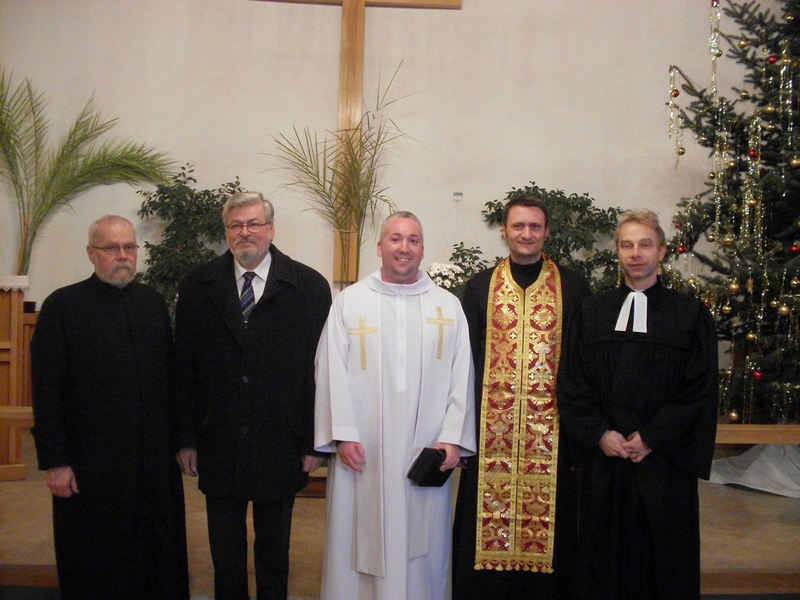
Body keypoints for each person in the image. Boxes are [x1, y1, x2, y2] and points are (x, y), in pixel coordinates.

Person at [174, 191, 331, 600]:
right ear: (226, 231)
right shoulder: (197, 287)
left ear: (271, 229)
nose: (245, 232)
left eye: (254, 224)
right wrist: (187, 438)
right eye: (236, 225)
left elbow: (320, 374)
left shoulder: (308, 287)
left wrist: (313, 441)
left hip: (280, 441)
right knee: (225, 554)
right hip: (218, 439)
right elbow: (184, 368)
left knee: (274, 554)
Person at [557, 209, 718, 600]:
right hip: (606, 461)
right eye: (627, 245)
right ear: (617, 251)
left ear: (661, 251)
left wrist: (652, 437)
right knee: (602, 563)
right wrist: (600, 434)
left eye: (645, 245)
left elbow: (699, 389)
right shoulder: (591, 312)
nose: (636, 253)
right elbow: (572, 382)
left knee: (663, 563)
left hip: (664, 462)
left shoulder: (690, 315)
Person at [315, 211, 476, 600]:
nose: (404, 248)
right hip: (363, 452)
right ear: (379, 247)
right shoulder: (350, 302)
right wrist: (343, 435)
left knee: (423, 544)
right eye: (396, 239)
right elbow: (330, 369)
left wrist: (452, 438)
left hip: (426, 451)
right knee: (356, 538)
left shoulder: (447, 307)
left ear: (422, 248)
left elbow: (463, 374)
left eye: (413, 240)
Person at [31, 215, 189, 600]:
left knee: (155, 556)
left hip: (151, 463)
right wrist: (56, 461)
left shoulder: (151, 303)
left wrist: (182, 441)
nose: (122, 255)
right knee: (96, 560)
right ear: (91, 253)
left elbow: (171, 379)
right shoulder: (62, 306)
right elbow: (47, 390)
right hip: (90, 465)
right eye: (112, 248)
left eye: (129, 247)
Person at [451, 193, 591, 600]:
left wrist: (578, 435)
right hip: (490, 436)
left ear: (546, 232)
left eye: (534, 226)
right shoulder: (479, 287)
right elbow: (465, 364)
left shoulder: (573, 287)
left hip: (553, 438)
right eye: (518, 226)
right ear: (504, 231)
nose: (526, 233)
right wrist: (462, 432)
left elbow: (581, 365)